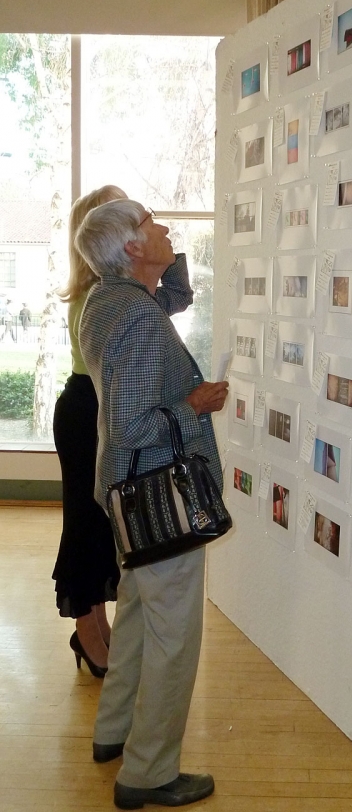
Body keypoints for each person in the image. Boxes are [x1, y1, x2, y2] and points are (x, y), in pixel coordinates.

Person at [75, 198, 228, 809]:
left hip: (125, 490)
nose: (163, 227)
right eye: (150, 224)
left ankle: (113, 732)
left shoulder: (112, 299)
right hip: (156, 489)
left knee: (138, 612)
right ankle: (148, 772)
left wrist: (168, 255)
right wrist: (195, 404)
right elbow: (135, 423)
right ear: (132, 250)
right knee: (173, 635)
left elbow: (173, 301)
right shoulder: (136, 316)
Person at [52, 186, 129, 678]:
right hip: (86, 414)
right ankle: (87, 632)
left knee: (101, 526)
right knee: (85, 525)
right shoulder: (94, 298)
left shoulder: (104, 291)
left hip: (95, 410)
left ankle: (97, 628)